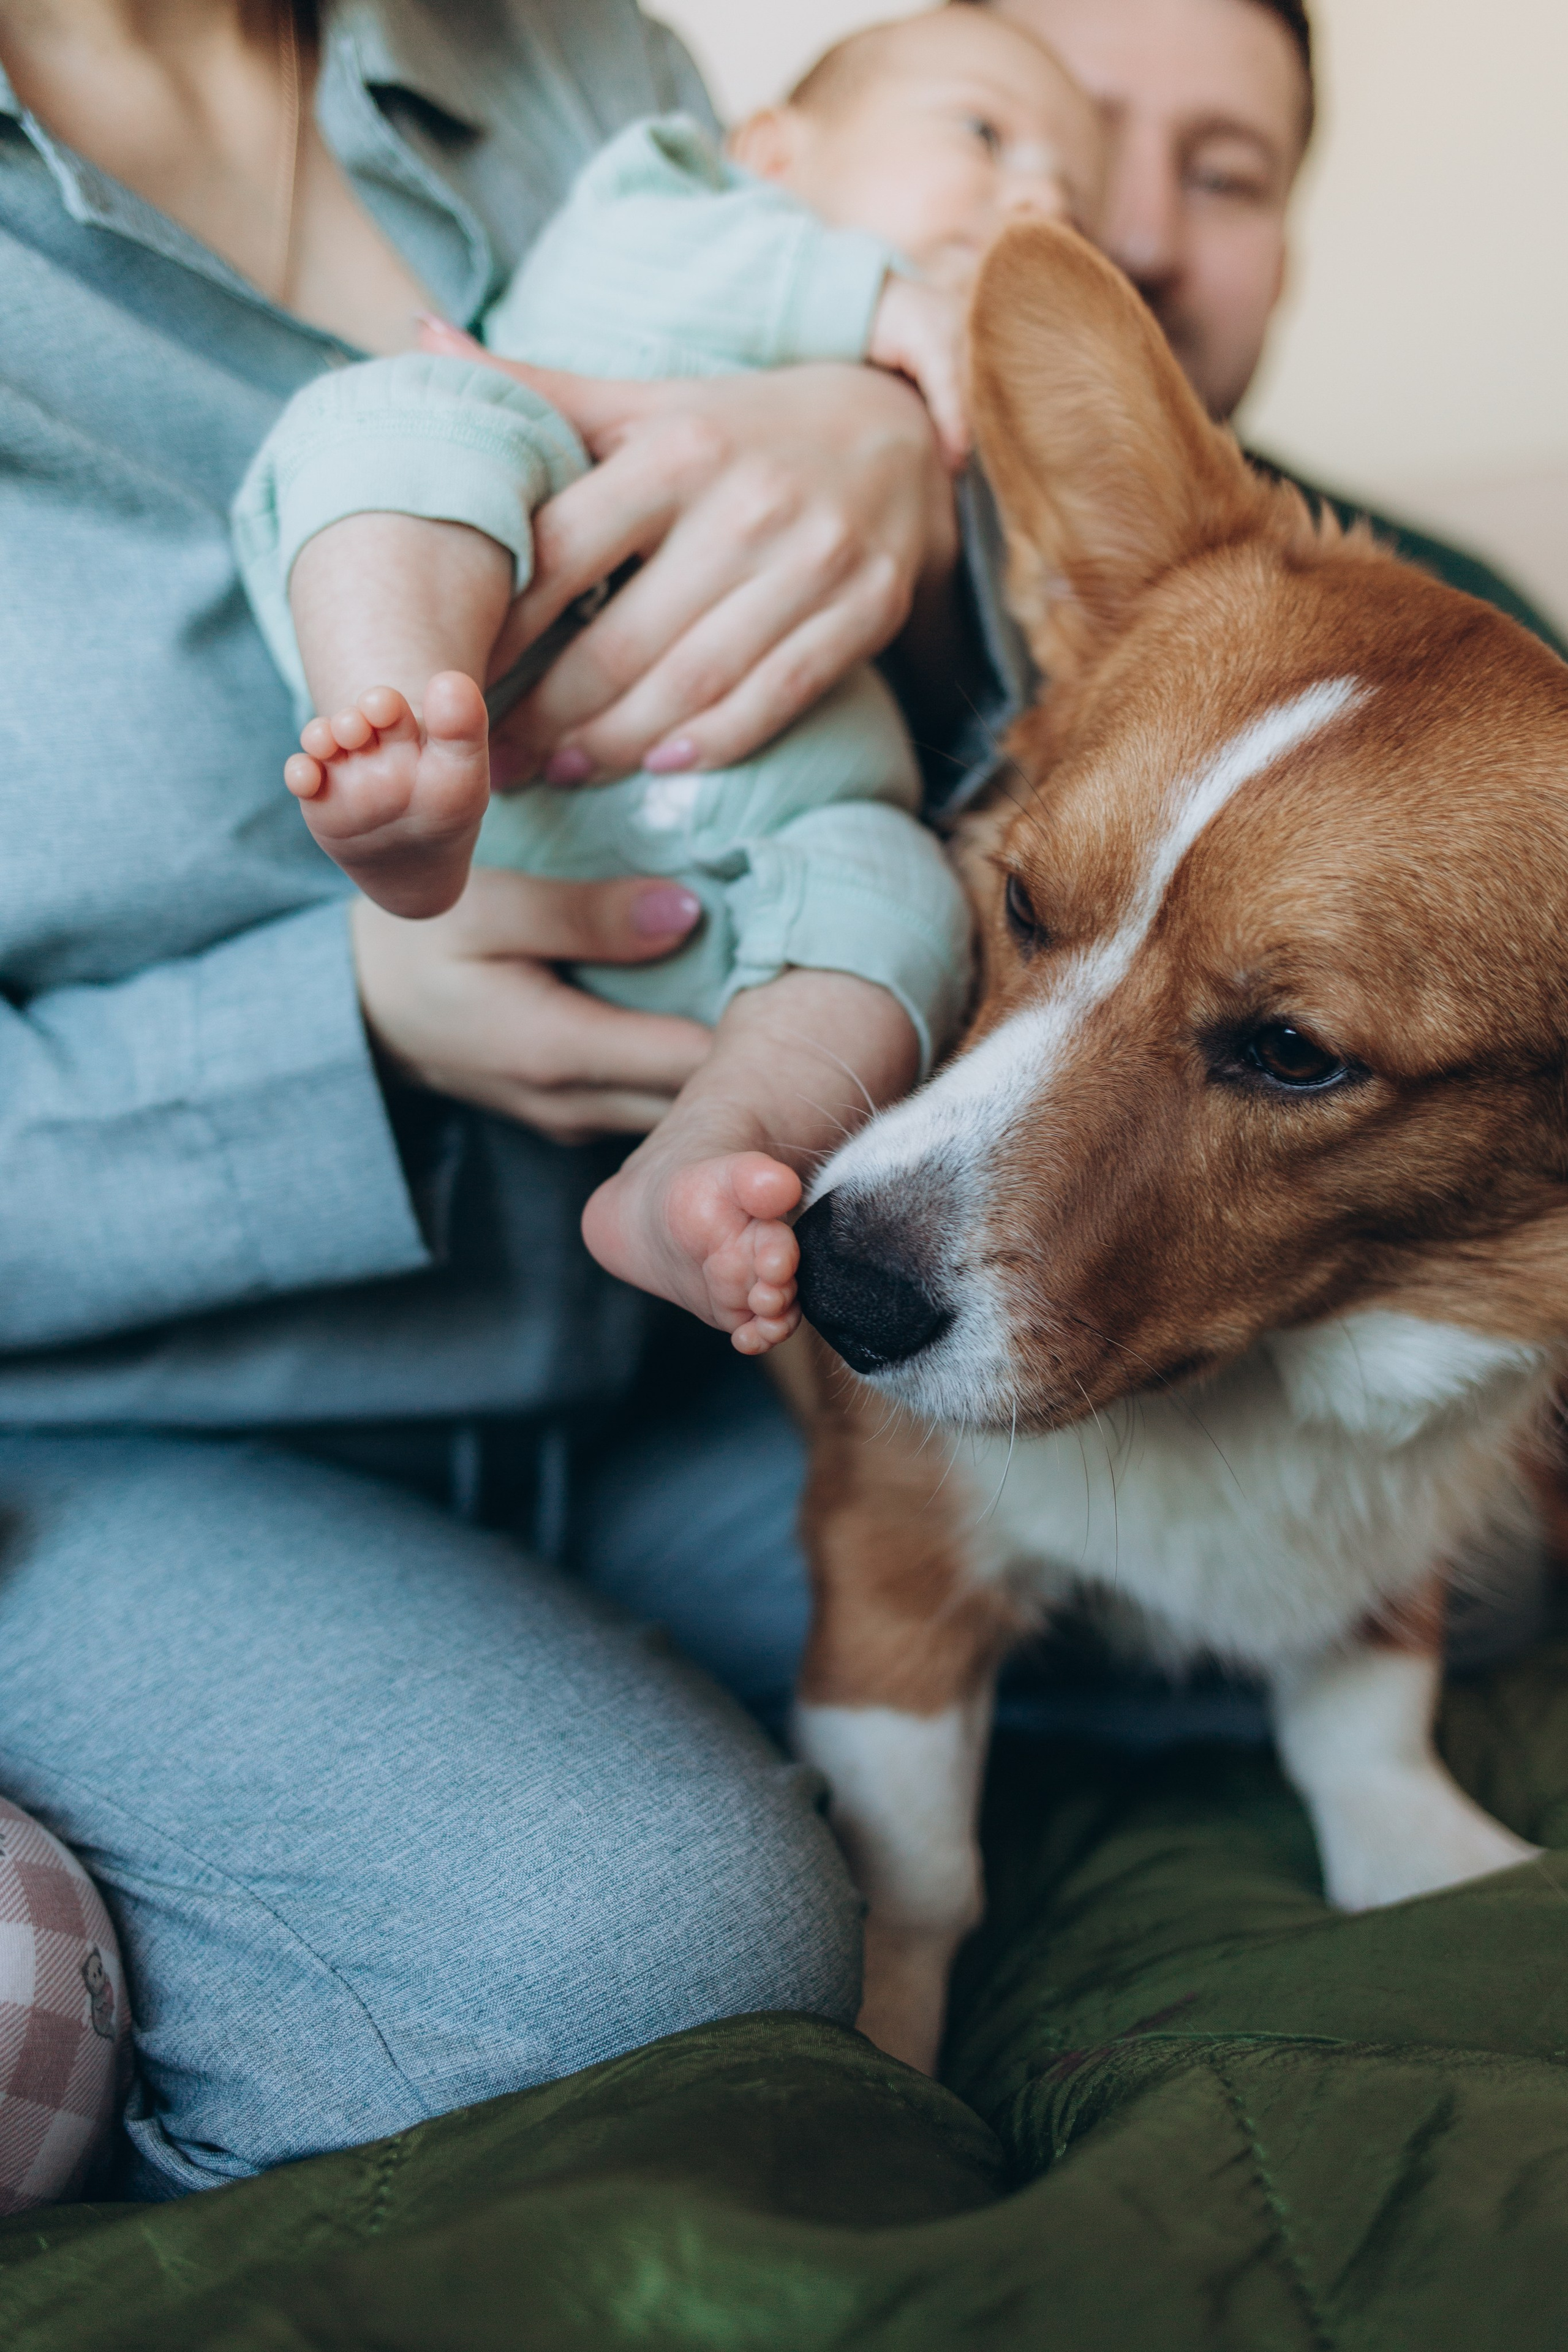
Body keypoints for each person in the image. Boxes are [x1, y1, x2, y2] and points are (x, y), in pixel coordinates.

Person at [0, 0, 987, 2198]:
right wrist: (332, 1022)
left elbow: (914, 747)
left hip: (660, 1339)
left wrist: (890, 448)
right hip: (89, 1434)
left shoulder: (573, 66)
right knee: (643, 1971)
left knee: (1424, 1543)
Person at [231, 9, 1101, 1356]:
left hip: (760, 843)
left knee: (906, 908)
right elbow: (746, 275)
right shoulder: (670, 193)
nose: (1036, 196)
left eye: (1069, 198)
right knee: (403, 416)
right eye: (982, 134)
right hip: (510, 669)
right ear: (765, 148)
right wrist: (888, 325)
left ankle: (710, 1157)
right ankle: (396, 728)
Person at [974, 0, 1566, 652]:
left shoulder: (1470, 633)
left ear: (1284, 265)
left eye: (1223, 179)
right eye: (1075, 149)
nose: (1144, 241)